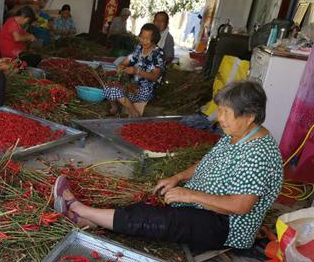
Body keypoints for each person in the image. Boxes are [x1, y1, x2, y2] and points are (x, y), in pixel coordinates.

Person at [54, 81, 283, 252]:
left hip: (225, 226)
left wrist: (190, 195)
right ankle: (88, 221)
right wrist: (177, 177)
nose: (219, 118)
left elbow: (241, 206)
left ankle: (79, 210)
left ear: (250, 116)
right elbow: (207, 162)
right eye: (219, 110)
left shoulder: (259, 153)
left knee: (161, 221)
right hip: (203, 204)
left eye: (225, 112)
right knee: (148, 199)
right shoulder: (235, 133)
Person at [104, 23, 165, 117]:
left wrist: (137, 71)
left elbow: (154, 77)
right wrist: (121, 65)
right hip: (132, 85)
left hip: (146, 89)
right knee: (109, 85)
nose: (144, 41)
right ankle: (114, 107)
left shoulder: (158, 54)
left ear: (154, 40)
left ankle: (133, 112)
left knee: (115, 90)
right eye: (142, 37)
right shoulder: (139, 48)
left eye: (147, 39)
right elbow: (126, 60)